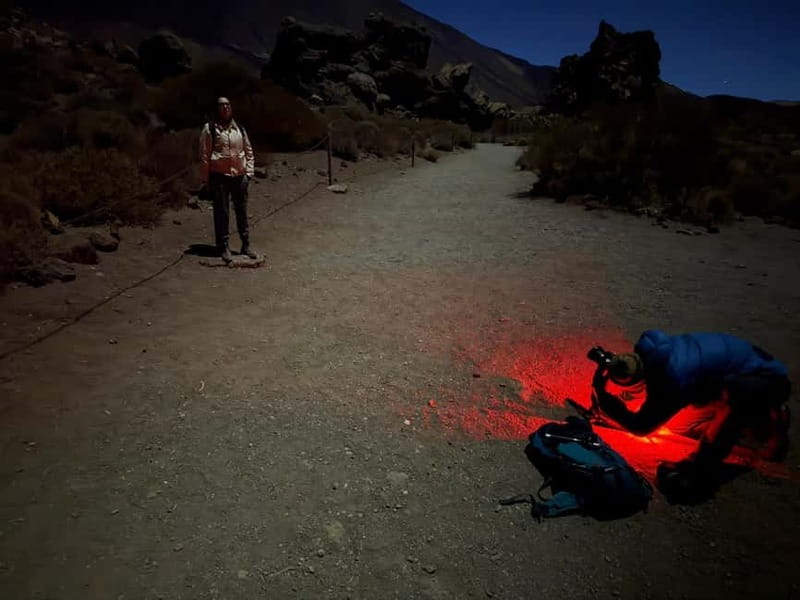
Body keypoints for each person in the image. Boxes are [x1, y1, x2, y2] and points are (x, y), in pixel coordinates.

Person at [592, 329, 791, 501]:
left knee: (721, 429)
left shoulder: (675, 377)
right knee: (681, 428)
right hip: (741, 373)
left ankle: (700, 472)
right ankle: (753, 416)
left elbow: (641, 427)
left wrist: (607, 403)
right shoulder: (660, 349)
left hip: (765, 383)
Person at [200, 97, 257, 262]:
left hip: (239, 176)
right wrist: (206, 180)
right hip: (220, 176)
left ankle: (245, 244)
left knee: (242, 211)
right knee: (221, 212)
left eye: (228, 105)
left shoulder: (239, 129)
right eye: (222, 105)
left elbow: (249, 151)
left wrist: (249, 173)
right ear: (217, 109)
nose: (225, 108)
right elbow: (204, 156)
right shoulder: (210, 129)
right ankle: (223, 246)